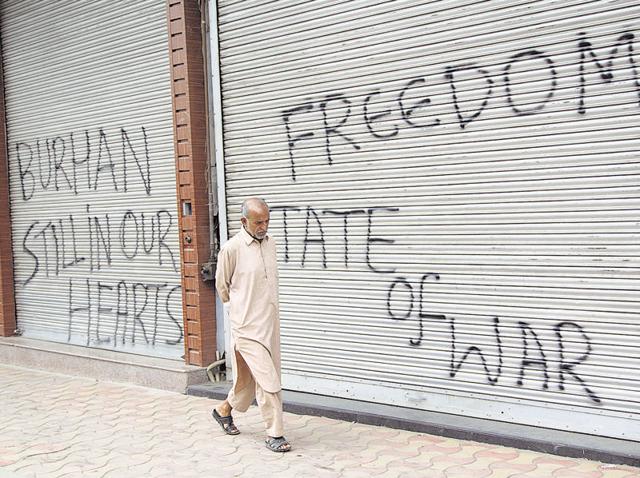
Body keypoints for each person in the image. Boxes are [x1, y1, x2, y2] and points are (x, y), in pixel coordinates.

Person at [212, 197, 291, 453]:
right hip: (246, 327)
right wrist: (239, 311)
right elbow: (222, 286)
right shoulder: (232, 249)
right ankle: (275, 434)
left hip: (270, 326)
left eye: (267, 221)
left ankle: (223, 411)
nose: (264, 226)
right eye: (258, 222)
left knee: (245, 381)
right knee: (269, 381)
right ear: (244, 221)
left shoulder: (272, 244)